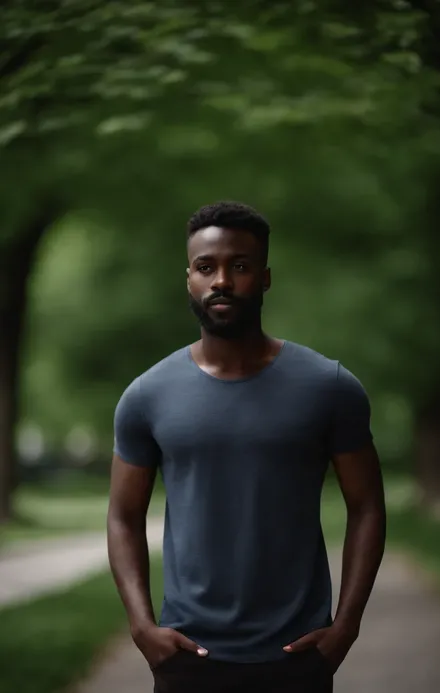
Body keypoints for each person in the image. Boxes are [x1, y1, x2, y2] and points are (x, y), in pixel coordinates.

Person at [107, 201, 386, 693]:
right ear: (189, 278)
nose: (221, 281)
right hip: (187, 657)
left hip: (297, 656)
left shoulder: (330, 387)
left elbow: (366, 507)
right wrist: (141, 626)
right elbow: (123, 516)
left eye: (239, 266)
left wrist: (346, 625)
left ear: (265, 277)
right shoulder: (146, 396)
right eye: (205, 267)